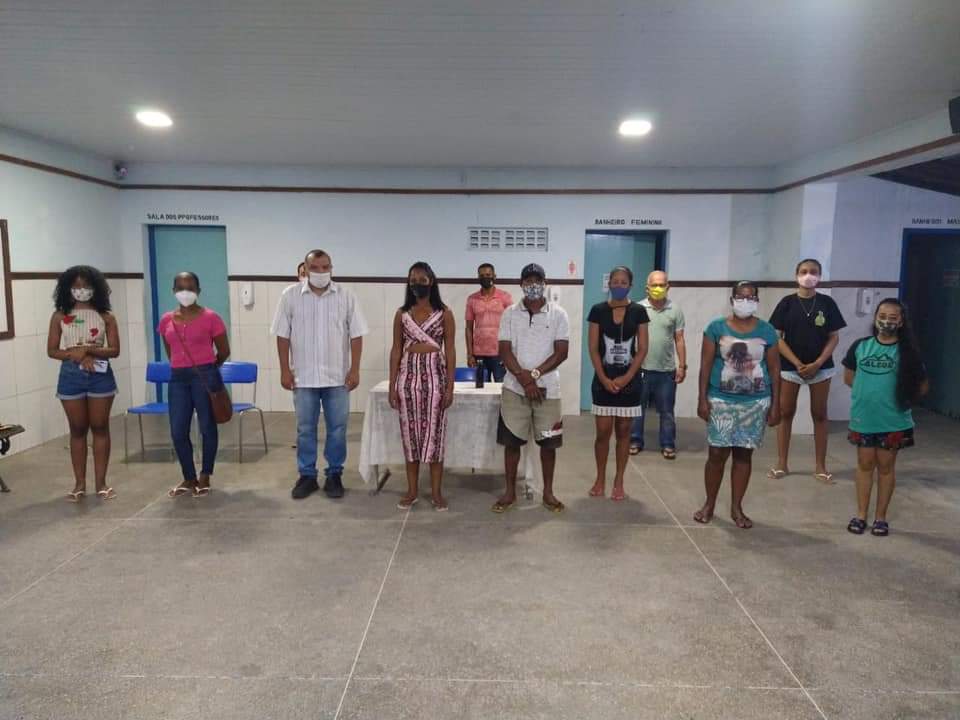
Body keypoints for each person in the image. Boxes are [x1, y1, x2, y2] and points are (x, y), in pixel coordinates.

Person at [273, 249, 368, 500]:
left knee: (338, 429)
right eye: (315, 267)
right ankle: (307, 475)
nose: (321, 272)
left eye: (326, 267)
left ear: (331, 268)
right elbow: (282, 335)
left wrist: (355, 369)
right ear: (305, 269)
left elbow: (356, 335)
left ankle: (334, 474)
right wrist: (284, 369)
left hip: (337, 377)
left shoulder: (346, 296)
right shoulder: (290, 296)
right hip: (303, 377)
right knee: (305, 429)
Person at [694, 281, 781, 529]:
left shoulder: (767, 331)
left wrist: (776, 404)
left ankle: (736, 507)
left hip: (755, 402)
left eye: (751, 297)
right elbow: (706, 365)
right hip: (721, 400)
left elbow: (775, 369)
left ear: (757, 301)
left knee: (744, 455)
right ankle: (709, 504)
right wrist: (702, 399)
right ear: (732, 300)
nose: (746, 301)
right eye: (741, 297)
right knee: (717, 454)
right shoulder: (716, 328)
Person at [843, 299, 928, 537]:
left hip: (893, 421)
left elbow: (921, 386)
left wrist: (898, 400)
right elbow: (849, 378)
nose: (886, 321)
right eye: (882, 316)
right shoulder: (860, 346)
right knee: (864, 465)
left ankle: (880, 518)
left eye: (893, 317)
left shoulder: (908, 352)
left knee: (886, 468)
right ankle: (861, 515)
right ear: (875, 317)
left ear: (901, 322)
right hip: (863, 419)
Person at [492, 263, 569, 514]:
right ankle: (509, 492)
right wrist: (525, 381)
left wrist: (534, 375)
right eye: (528, 281)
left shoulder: (558, 314)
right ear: (521, 284)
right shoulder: (509, 313)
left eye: (537, 280)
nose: (533, 285)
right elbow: (504, 351)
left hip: (548, 391)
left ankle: (548, 492)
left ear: (545, 283)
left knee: (548, 444)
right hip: (515, 389)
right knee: (512, 443)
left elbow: (561, 352)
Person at [768, 259, 846, 483]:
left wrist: (818, 363)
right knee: (785, 413)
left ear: (820, 276)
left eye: (813, 271)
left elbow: (834, 337)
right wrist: (797, 362)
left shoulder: (827, 303)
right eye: (804, 271)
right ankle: (782, 463)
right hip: (790, 367)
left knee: (819, 414)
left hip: (821, 369)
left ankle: (820, 466)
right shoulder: (787, 303)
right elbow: (777, 337)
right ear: (796, 275)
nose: (808, 275)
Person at [47, 266, 121, 502]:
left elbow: (114, 350)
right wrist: (75, 355)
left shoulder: (106, 317)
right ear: (68, 289)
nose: (82, 290)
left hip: (100, 375)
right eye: (77, 286)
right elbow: (52, 350)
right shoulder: (60, 316)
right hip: (71, 375)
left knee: (100, 427)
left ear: (96, 289)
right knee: (78, 429)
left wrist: (89, 350)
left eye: (87, 286)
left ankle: (101, 483)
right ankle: (79, 484)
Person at [389, 262, 456, 510]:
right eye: (413, 280)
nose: (417, 283)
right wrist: (392, 385)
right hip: (408, 381)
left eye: (422, 279)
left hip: (435, 380)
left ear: (431, 281)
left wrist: (450, 387)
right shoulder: (402, 314)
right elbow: (396, 350)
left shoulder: (444, 313)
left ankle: (436, 492)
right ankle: (412, 491)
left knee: (434, 438)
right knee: (411, 438)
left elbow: (450, 350)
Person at [157, 272, 230, 498]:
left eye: (190, 287)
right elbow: (170, 349)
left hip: (204, 375)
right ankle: (189, 477)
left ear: (198, 291)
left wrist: (209, 367)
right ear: (173, 291)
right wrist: (181, 365)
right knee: (178, 430)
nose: (185, 292)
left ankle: (205, 474)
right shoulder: (166, 320)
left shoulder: (211, 318)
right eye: (180, 288)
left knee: (207, 426)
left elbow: (224, 350)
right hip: (178, 378)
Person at [587, 267, 649, 501]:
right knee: (602, 433)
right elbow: (593, 348)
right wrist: (604, 378)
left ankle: (619, 480)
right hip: (602, 380)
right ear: (609, 284)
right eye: (615, 281)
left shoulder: (639, 311)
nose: (619, 285)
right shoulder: (597, 310)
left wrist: (627, 377)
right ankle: (600, 478)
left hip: (629, 382)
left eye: (624, 282)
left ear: (630, 285)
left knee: (624, 432)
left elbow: (642, 348)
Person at [631, 270, 687, 459]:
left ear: (668, 287)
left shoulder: (675, 310)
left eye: (661, 285)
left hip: (666, 371)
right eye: (654, 285)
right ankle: (635, 441)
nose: (658, 288)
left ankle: (668, 444)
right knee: (636, 409)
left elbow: (679, 339)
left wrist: (682, 366)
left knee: (667, 411)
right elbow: (630, 338)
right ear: (647, 288)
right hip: (641, 369)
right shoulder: (638, 309)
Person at [465, 263, 512, 382]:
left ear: (494, 276)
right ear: (478, 278)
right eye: (482, 276)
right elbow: (468, 329)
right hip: (479, 354)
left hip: (499, 353)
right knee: (480, 389)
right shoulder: (472, 299)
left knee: (501, 388)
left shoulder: (505, 297)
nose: (485, 278)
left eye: (488, 275)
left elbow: (513, 326)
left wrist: (510, 353)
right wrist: (470, 354)